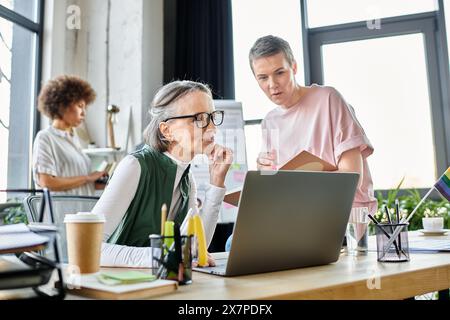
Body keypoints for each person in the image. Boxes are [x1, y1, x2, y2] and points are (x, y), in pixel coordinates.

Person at [226, 35, 377, 251]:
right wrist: (265, 175)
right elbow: (277, 188)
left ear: (294, 67)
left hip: (343, 217)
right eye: (263, 78)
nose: (272, 85)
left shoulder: (328, 99)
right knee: (235, 243)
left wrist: (296, 184)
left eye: (280, 73)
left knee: (242, 246)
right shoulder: (270, 121)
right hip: (295, 217)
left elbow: (351, 180)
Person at [92, 80, 233, 268]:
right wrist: (165, 255)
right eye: (199, 118)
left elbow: (196, 249)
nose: (212, 128)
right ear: (167, 131)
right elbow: (90, 248)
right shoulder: (135, 166)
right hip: (119, 287)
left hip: (157, 283)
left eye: (212, 116)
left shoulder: (186, 179)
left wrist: (217, 182)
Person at [33, 75, 107, 196]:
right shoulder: (46, 138)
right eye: (80, 106)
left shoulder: (74, 139)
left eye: (85, 107)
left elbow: (76, 182)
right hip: (60, 213)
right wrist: (87, 178)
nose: (84, 112)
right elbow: (46, 182)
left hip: (80, 211)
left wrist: (97, 181)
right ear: (63, 105)